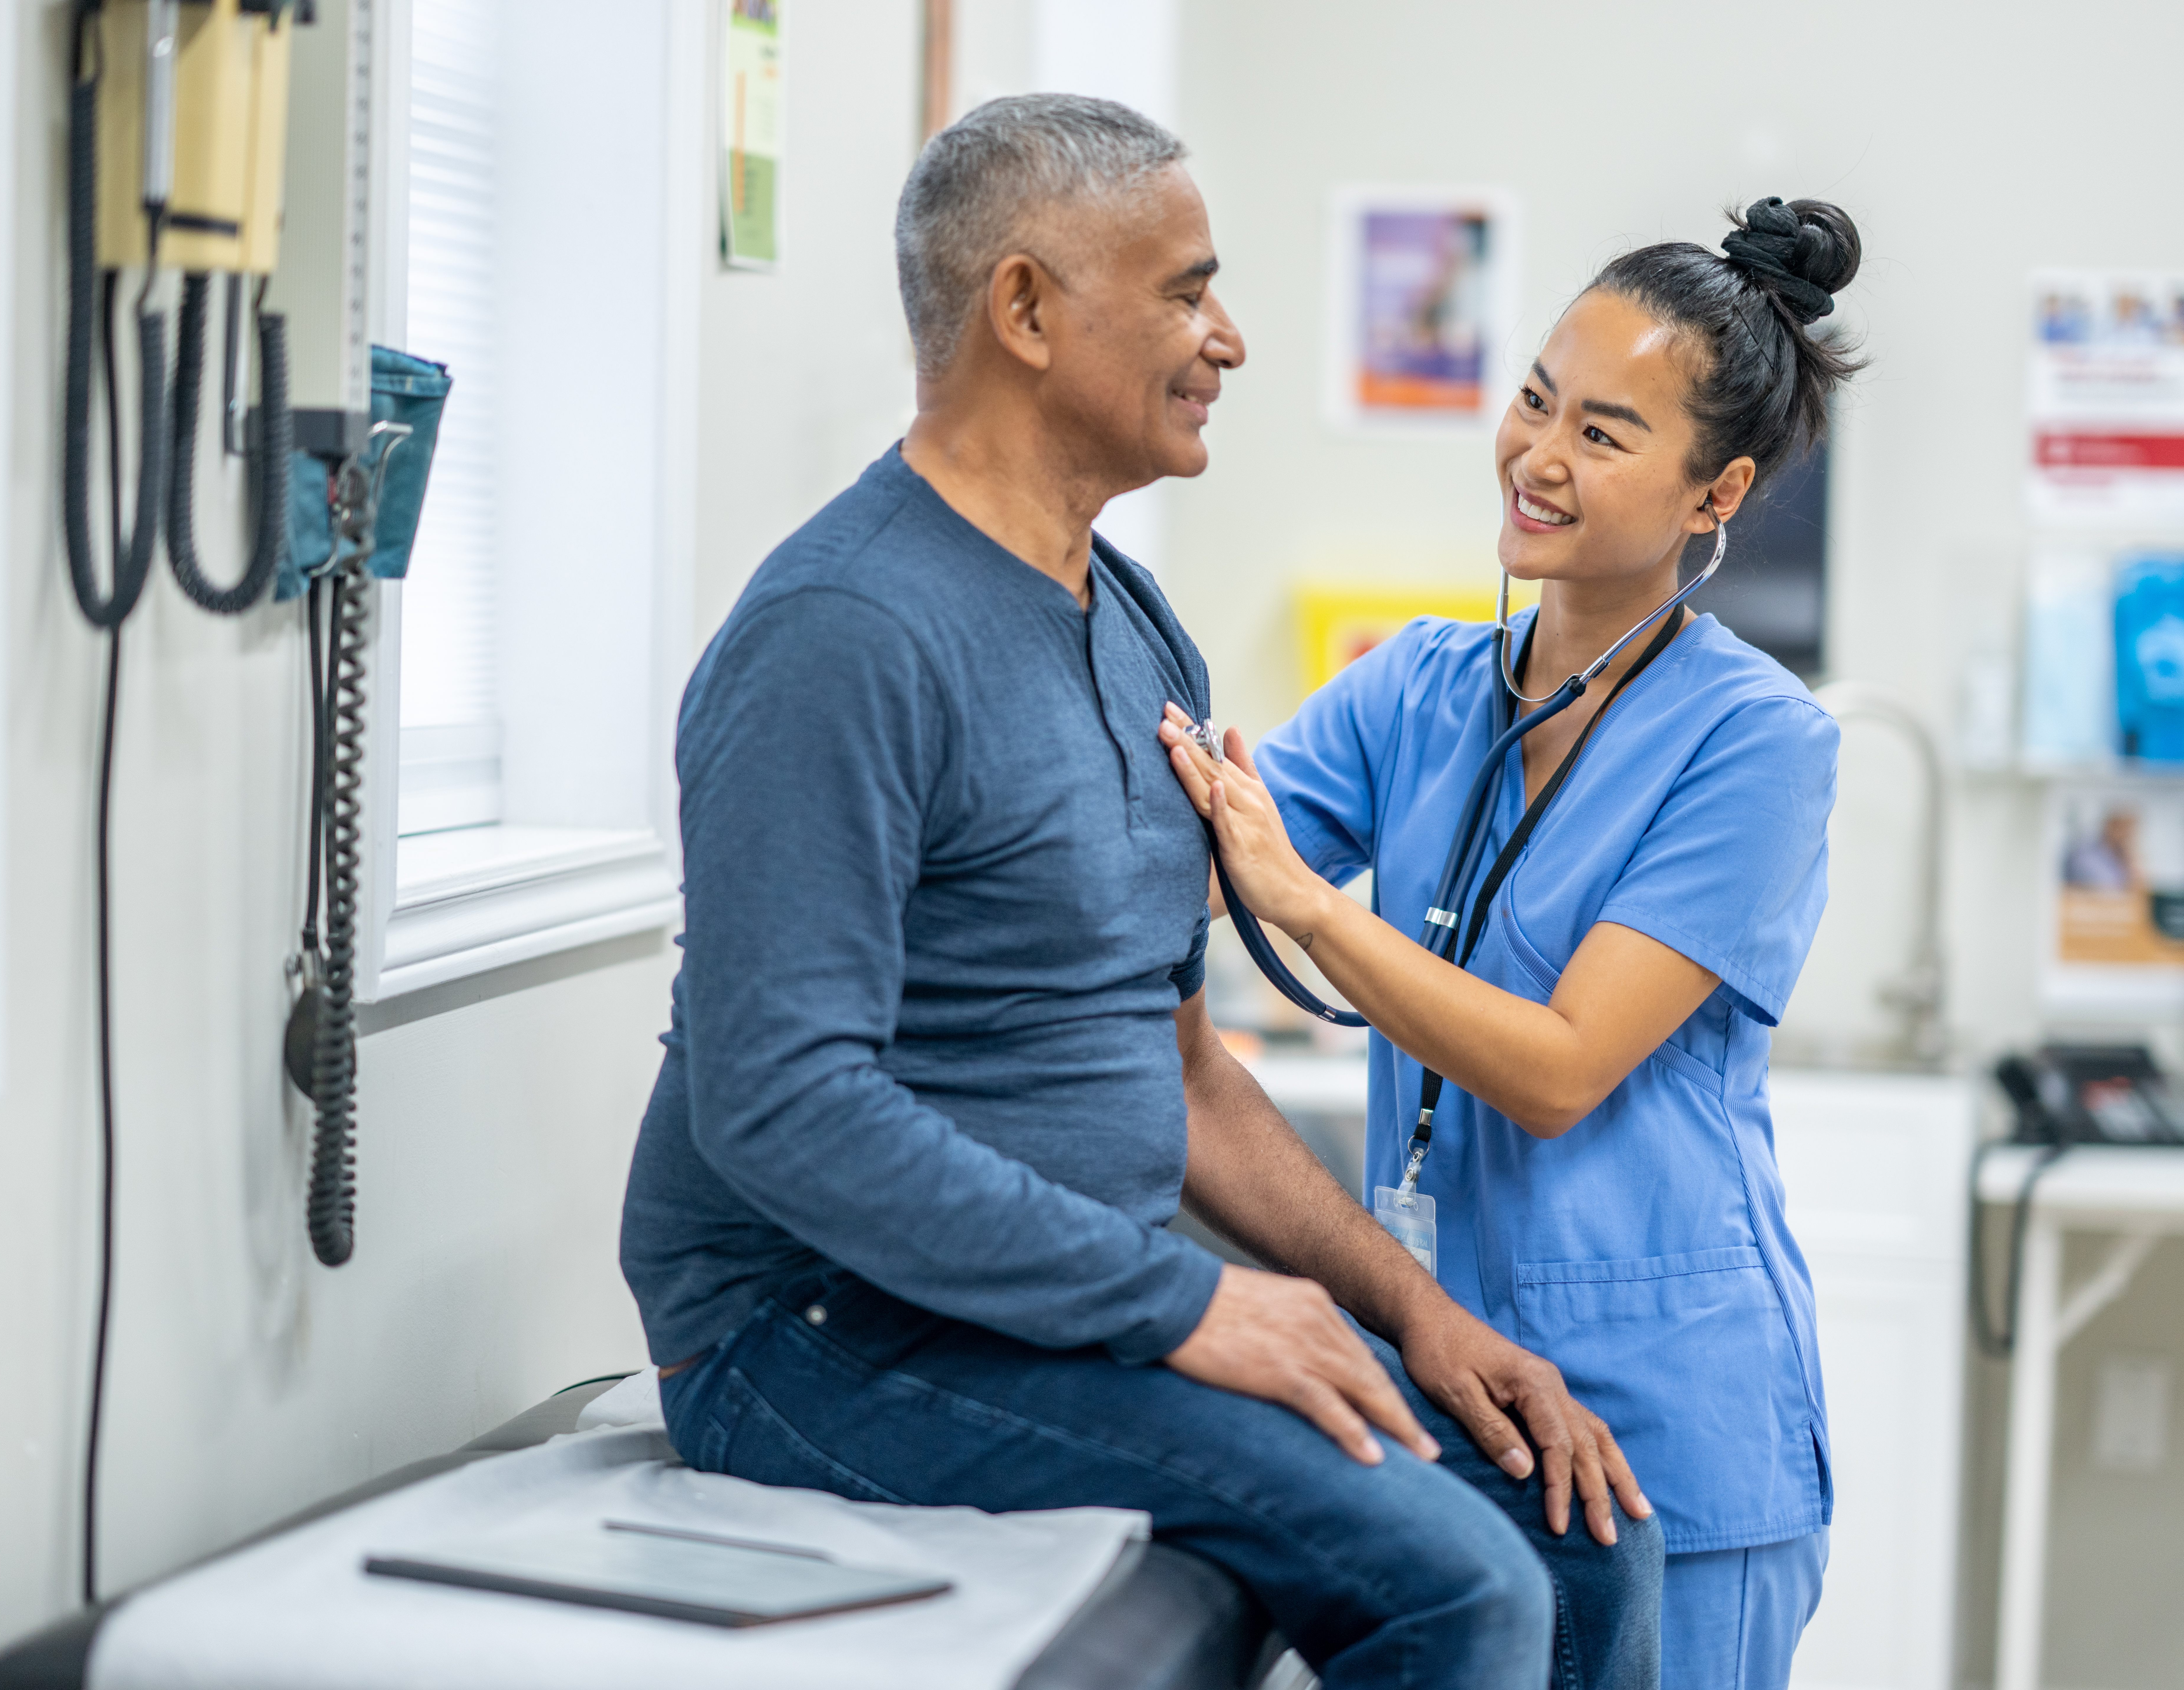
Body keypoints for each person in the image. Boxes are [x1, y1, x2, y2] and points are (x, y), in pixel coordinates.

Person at [620, 95, 1661, 1689]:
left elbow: (1182, 1071)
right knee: (1467, 1590)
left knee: (1584, 1533)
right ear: (1026, 309)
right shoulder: (841, 637)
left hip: (1049, 1308)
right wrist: (1188, 1304)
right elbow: (782, 1107)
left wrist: (1410, 1311)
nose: (1226, 338)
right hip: (817, 1337)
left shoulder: (1132, 620)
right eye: (1184, 291)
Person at [1160, 196, 1863, 1690]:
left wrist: (1306, 903)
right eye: (1538, 400)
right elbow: (1198, 857)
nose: (1540, 456)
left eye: (1606, 436)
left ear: (1713, 494)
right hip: (1456, 1401)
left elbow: (1558, 1070)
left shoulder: (1759, 744)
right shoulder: (1417, 686)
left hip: (1673, 1432)